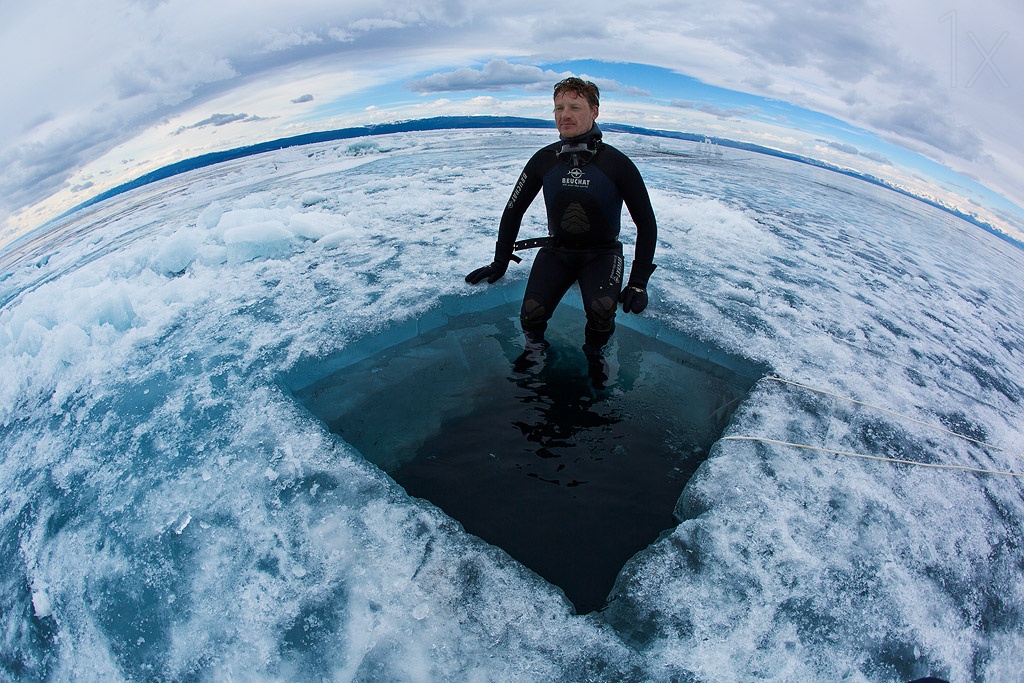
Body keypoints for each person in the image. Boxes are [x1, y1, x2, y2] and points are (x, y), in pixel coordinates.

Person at [465, 77, 658, 381]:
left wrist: (638, 283)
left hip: (602, 253)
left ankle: (595, 355)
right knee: (531, 311)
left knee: (602, 309)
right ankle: (534, 349)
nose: (564, 115)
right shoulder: (543, 160)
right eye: (558, 108)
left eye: (574, 107)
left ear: (594, 111)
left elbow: (646, 222)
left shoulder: (617, 164)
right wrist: (500, 261)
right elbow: (513, 210)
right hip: (557, 250)